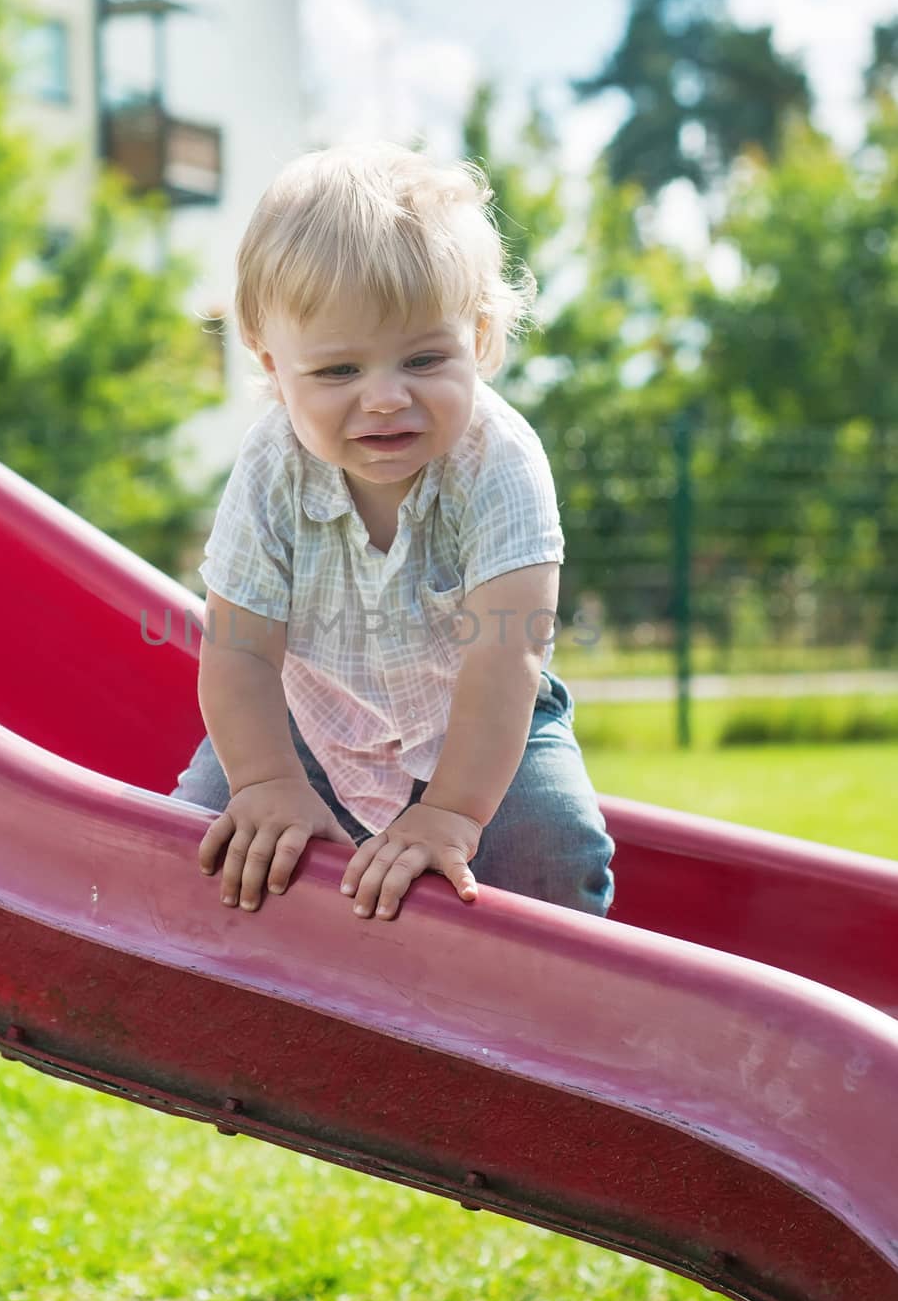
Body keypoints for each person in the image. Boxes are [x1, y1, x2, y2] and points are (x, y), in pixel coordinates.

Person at [170, 140, 615, 923]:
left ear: (477, 340)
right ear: (271, 364)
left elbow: (505, 653)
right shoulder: (273, 463)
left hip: (479, 721)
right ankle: (237, 993)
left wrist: (452, 811)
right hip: (306, 718)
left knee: (551, 843)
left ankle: (552, 1015)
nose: (383, 397)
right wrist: (269, 780)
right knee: (198, 836)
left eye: (422, 359)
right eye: (337, 372)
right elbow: (239, 645)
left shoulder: (497, 462)